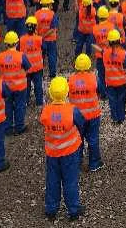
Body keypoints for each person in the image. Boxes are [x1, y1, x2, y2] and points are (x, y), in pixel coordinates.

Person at [40, 77, 86, 221]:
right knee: (70, 181)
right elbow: (81, 123)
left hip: (52, 153)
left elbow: (44, 122)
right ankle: (73, 210)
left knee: (52, 181)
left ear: (50, 94)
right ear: (67, 93)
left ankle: (51, 210)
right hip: (70, 153)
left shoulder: (46, 111)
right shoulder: (72, 110)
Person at [68, 53, 103, 171]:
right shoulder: (94, 77)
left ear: (76, 66)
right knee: (93, 139)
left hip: (76, 117)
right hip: (93, 115)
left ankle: (77, 164)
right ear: (89, 66)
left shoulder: (70, 79)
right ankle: (94, 163)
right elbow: (101, 91)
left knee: (77, 140)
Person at [0, 31, 30, 135]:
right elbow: (28, 67)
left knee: (7, 106)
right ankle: (19, 127)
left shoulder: (0, 57)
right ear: (17, 43)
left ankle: (8, 128)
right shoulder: (21, 56)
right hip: (20, 87)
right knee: (20, 106)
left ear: (6, 44)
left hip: (6, 88)